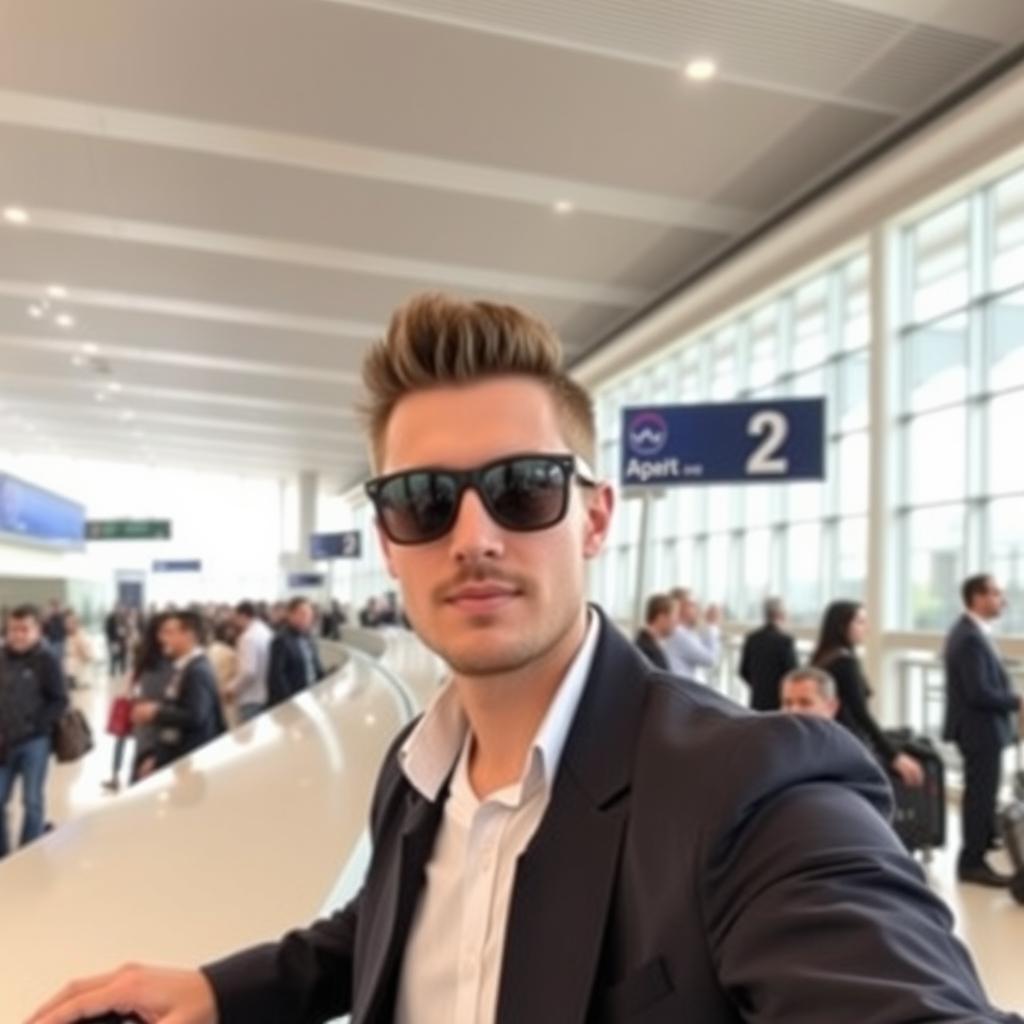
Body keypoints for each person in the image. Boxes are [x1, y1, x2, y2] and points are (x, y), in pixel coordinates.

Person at [27, 294, 1022, 1024]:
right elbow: (389, 924)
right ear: (387, 540)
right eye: (423, 500)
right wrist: (213, 989)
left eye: (523, 489)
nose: (472, 537)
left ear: (593, 515)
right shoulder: (419, 766)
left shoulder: (752, 791)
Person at [943, 574, 1022, 888]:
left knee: (983, 795)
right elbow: (979, 692)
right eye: (997, 594)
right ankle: (971, 862)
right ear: (977, 597)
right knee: (979, 797)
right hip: (979, 730)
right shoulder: (970, 637)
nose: (1003, 601)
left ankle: (980, 850)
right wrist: (1017, 700)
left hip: (981, 730)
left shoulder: (972, 632)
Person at [811, 600, 924, 791]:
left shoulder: (822, 658)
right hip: (849, 746)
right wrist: (894, 756)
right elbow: (861, 714)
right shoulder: (844, 662)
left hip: (831, 742)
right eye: (860, 622)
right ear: (842, 626)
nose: (866, 628)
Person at [0, 605, 68, 858]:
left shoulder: (47, 660)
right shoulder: (1, 658)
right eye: (13, 629)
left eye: (24, 629)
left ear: (37, 631)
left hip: (34, 743)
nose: (18, 635)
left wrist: (36, 726)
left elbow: (60, 700)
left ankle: (29, 852)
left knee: (32, 801)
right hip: (3, 743)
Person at [130, 610, 225, 776]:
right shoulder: (185, 667)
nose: (161, 639)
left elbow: (195, 715)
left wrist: (156, 713)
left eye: (169, 633)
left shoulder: (197, 671)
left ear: (188, 635)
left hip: (191, 764)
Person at [103, 613, 173, 792]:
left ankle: (115, 774)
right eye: (167, 631)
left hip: (145, 722)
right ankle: (116, 774)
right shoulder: (163, 663)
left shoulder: (147, 655)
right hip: (153, 729)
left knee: (124, 741)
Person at [738, 596, 798, 711]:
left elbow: (743, 671)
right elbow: (792, 673)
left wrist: (758, 685)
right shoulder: (785, 641)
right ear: (782, 615)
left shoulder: (752, 638)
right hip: (778, 702)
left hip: (757, 700)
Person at [266, 597, 326, 708]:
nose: (307, 618)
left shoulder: (309, 637)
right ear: (290, 615)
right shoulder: (281, 640)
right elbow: (277, 677)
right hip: (294, 702)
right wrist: (291, 703)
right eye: (303, 614)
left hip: (312, 697)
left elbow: (316, 666)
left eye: (309, 614)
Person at [225, 601, 273, 723]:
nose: (234, 622)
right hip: (265, 694)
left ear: (243, 616)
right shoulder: (266, 632)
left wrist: (231, 688)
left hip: (250, 698)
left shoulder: (247, 638)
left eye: (235, 617)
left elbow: (248, 671)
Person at [663, 586, 721, 681]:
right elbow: (710, 659)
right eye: (692, 605)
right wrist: (712, 625)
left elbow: (701, 649)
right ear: (678, 607)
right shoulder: (678, 634)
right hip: (681, 692)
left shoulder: (680, 632)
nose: (697, 609)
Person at [633, 592, 675, 670]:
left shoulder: (651, 645)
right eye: (673, 617)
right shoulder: (645, 650)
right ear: (662, 618)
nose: (675, 624)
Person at [61, 611, 94, 691]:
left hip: (78, 669)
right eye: (66, 623)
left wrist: (85, 656)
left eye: (69, 623)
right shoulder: (70, 635)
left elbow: (86, 651)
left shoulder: (81, 635)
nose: (66, 625)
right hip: (71, 668)